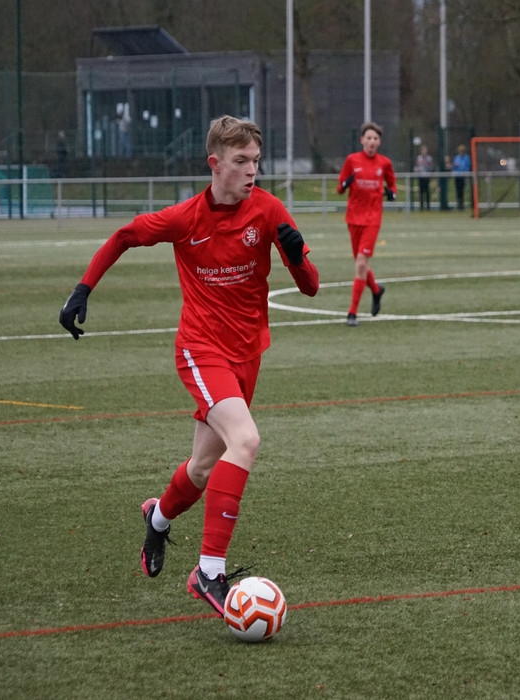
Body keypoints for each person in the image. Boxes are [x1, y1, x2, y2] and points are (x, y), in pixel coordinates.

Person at [58, 116, 320, 616]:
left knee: (201, 467)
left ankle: (157, 518)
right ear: (214, 164)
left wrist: (295, 258)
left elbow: (310, 287)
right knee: (246, 440)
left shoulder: (269, 210)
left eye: (256, 161)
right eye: (241, 161)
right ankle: (209, 573)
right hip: (201, 350)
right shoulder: (186, 218)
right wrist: (83, 289)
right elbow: (125, 235)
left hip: (248, 354)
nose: (252, 171)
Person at [337, 121, 397, 327]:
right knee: (360, 262)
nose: (372, 142)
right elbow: (339, 188)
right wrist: (346, 183)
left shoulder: (384, 163)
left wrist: (392, 194)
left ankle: (352, 313)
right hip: (353, 218)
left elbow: (392, 185)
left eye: (375, 138)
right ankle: (377, 290)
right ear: (362, 140)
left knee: (361, 263)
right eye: (369, 138)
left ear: (379, 142)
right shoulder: (352, 160)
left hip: (373, 219)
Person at [413, 144, 434, 211]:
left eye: (425, 150)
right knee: (421, 191)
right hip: (421, 177)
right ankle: (421, 206)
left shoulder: (429, 158)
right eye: (423, 150)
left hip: (427, 177)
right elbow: (416, 166)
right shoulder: (419, 158)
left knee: (427, 191)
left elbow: (431, 167)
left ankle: (428, 206)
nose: (424, 151)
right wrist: (416, 170)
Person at [451, 144, 471, 211]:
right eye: (460, 151)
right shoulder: (456, 158)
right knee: (458, 191)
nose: (461, 152)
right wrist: (455, 167)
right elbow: (454, 166)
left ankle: (461, 205)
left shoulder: (466, 158)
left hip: (463, 176)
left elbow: (467, 166)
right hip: (457, 176)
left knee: (462, 191)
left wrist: (465, 171)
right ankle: (458, 204)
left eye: (462, 151)